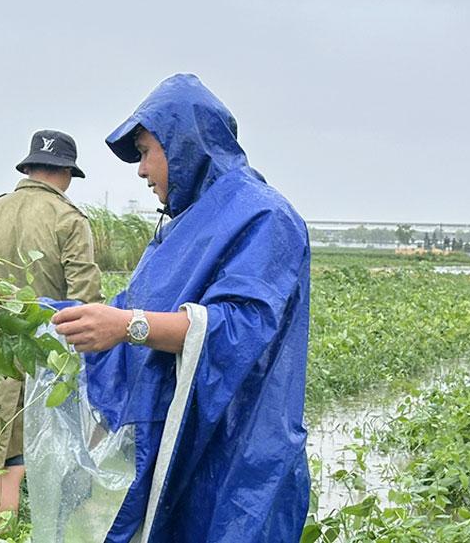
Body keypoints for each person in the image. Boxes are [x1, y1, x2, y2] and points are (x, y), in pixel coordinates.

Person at [50, 74, 310, 541]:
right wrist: (42, 315)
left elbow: (240, 329)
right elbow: (130, 313)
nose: (141, 170)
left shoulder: (264, 216)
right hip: (178, 444)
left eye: (146, 151)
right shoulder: (181, 227)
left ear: (184, 145)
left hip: (239, 450)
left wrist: (129, 326)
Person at [0, 129, 103, 517]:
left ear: (29, 168)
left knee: (7, 466)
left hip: (1, 360)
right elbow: (85, 300)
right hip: (55, 362)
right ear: (67, 173)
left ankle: (0, 538)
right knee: (70, 462)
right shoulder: (69, 219)